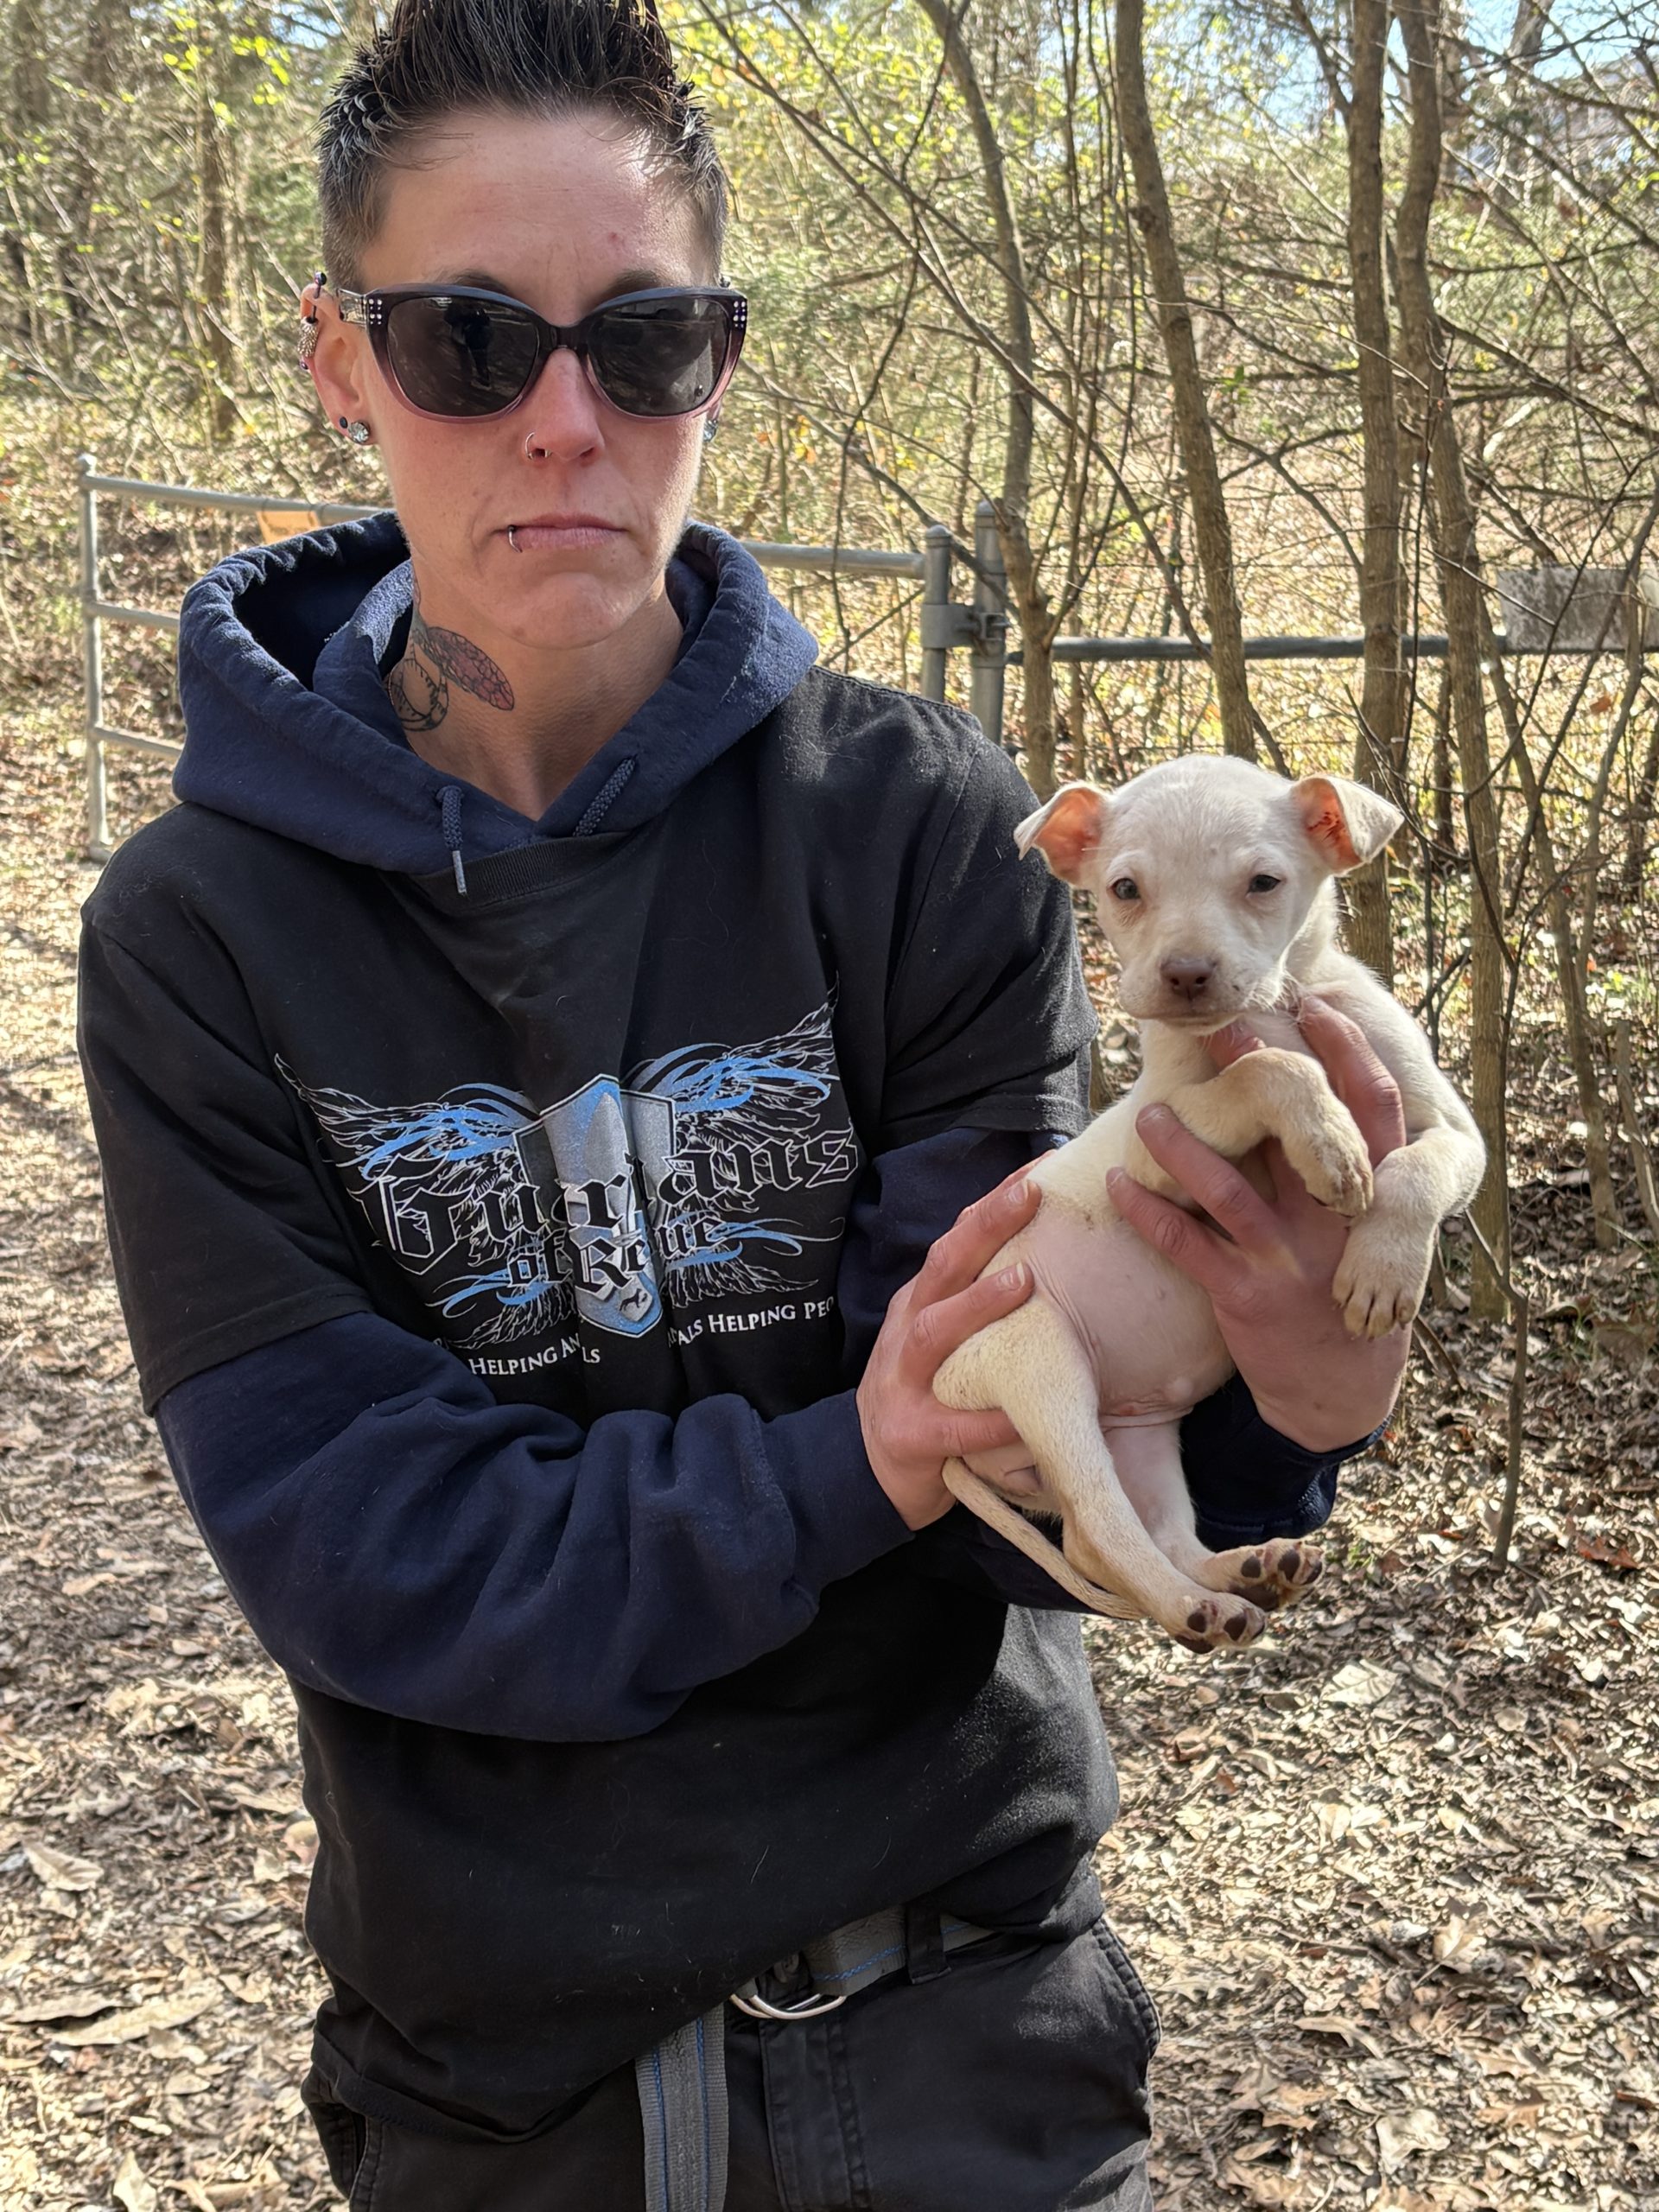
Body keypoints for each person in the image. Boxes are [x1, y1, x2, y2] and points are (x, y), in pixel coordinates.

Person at [76, 2, 1409, 2204]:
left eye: (649, 337)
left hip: (981, 2031)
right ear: (338, 359)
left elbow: (1054, 1387)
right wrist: (850, 1458)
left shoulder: (931, 830)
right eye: (469, 341)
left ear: (723, 356)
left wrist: (1295, 1402)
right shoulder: (198, 937)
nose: (568, 423)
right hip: (501, 2084)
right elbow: (368, 1551)